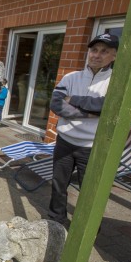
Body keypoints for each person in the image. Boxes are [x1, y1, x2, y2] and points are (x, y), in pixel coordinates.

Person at [48, 33, 118, 225]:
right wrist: (91, 113)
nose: (97, 55)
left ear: (114, 56)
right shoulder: (71, 77)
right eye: (94, 50)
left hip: (91, 147)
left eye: (105, 51)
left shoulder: (116, 82)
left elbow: (107, 106)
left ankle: (84, 228)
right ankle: (57, 221)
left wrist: (74, 100)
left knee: (89, 193)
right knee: (58, 184)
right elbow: (56, 104)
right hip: (65, 142)